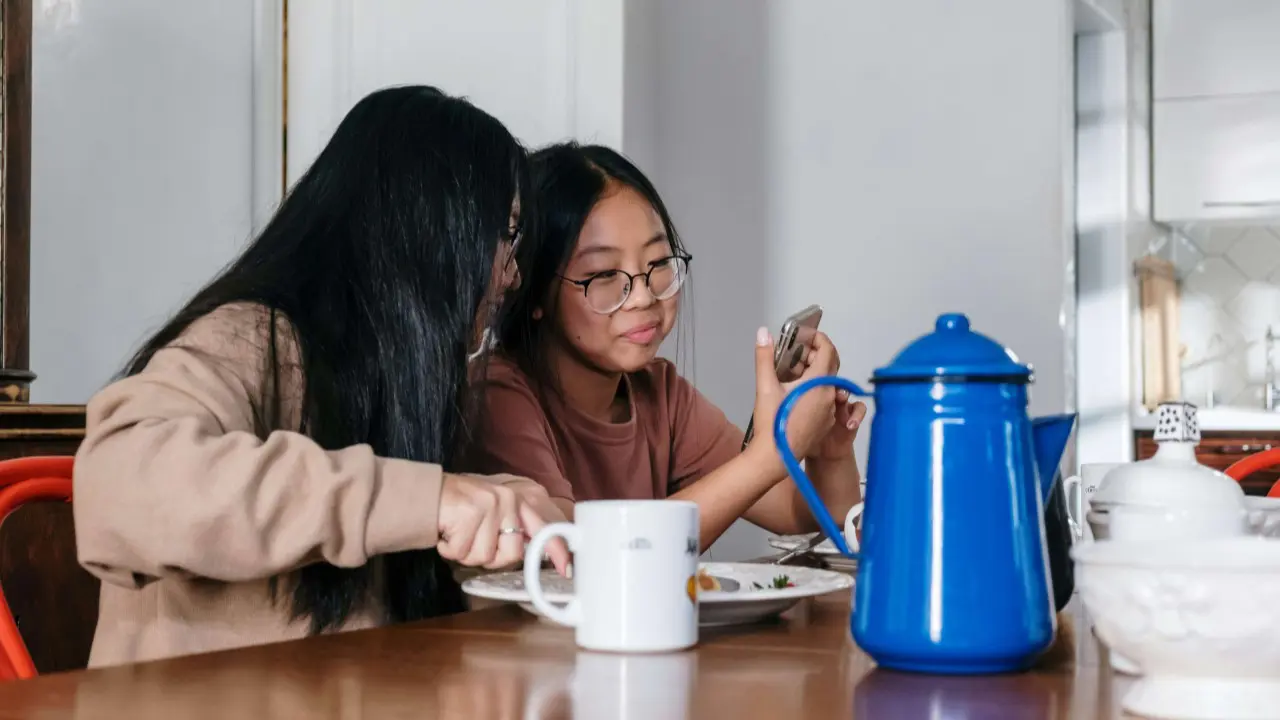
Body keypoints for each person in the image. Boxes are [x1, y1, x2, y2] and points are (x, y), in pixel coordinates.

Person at [72, 86, 569, 668]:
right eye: (506, 237)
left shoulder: (396, 375)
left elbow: (367, 604)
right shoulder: (250, 336)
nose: (511, 278)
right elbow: (123, 484)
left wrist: (488, 527)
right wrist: (425, 499)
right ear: (427, 228)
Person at [470, 142, 865, 549]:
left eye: (658, 264)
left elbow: (802, 514)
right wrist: (768, 456)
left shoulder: (660, 392)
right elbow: (572, 554)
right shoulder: (498, 394)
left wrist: (829, 451)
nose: (643, 296)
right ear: (532, 289)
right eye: (604, 274)